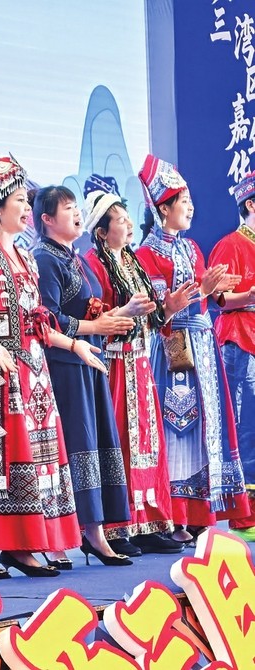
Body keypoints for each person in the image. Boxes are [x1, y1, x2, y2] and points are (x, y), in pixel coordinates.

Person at [0, 156, 105, 579]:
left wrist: (75, 344)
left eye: (27, 200)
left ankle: (22, 546)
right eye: (20, 200)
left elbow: (37, 323)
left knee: (36, 457)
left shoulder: (23, 255)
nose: (26, 208)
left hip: (34, 371)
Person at [136, 154, 250, 543]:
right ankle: (174, 515)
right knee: (178, 427)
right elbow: (158, 308)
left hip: (203, 346)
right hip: (174, 348)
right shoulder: (146, 255)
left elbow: (209, 298)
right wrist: (202, 290)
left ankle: (201, 512)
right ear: (163, 209)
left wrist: (218, 290)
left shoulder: (191, 249)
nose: (190, 208)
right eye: (183, 202)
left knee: (205, 428)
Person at [82, 175, 190, 556]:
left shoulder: (130, 260)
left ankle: (149, 521)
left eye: (128, 217)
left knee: (147, 443)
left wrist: (171, 307)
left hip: (140, 362)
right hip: (113, 365)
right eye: (120, 219)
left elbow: (152, 319)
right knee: (122, 444)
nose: (129, 223)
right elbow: (92, 317)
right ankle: (116, 526)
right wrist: (125, 311)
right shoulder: (93, 266)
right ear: (102, 231)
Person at [31, 185, 134, 567]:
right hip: (63, 365)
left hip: (89, 361)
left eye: (76, 207)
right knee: (73, 447)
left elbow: (92, 311)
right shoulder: (44, 258)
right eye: (68, 208)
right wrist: (94, 328)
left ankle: (95, 532)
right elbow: (47, 318)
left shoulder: (75, 258)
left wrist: (120, 316)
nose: (77, 214)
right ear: (46, 219)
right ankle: (59, 539)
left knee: (96, 443)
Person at [206, 171, 255, 540]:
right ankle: (245, 513)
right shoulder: (230, 245)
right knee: (246, 424)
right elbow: (217, 299)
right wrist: (250, 296)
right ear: (250, 204)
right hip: (240, 339)